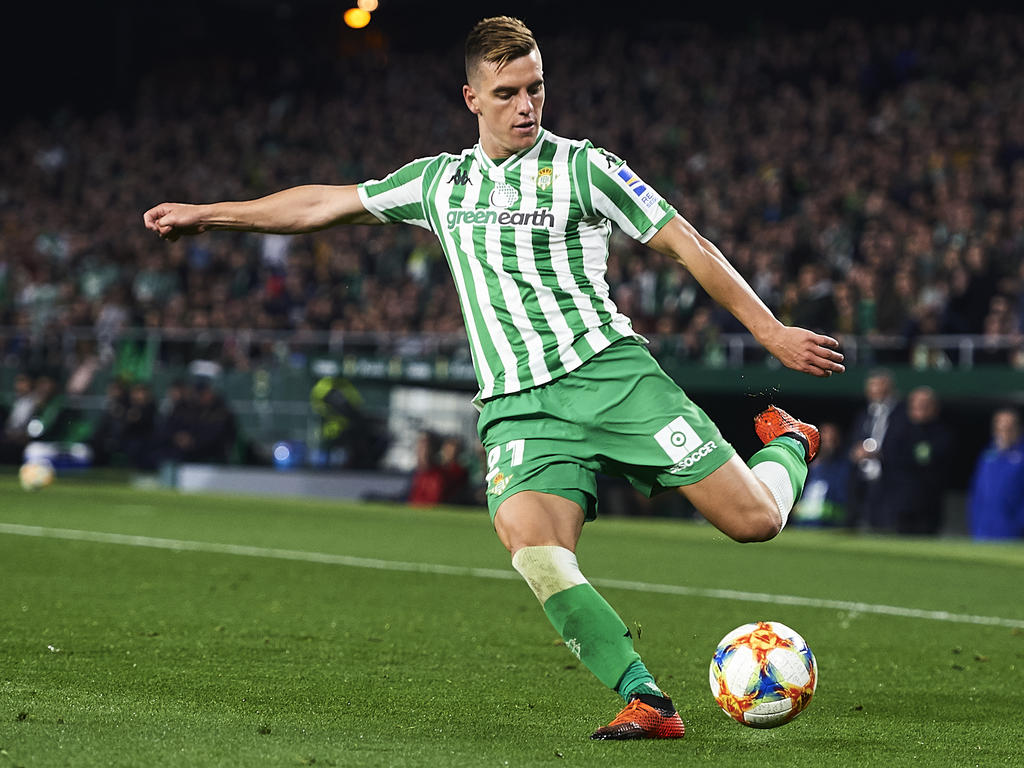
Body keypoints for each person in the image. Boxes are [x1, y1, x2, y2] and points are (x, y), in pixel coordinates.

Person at [142, 16, 844, 740]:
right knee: (534, 547)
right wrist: (213, 216)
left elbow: (684, 242)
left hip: (611, 377)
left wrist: (770, 331)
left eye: (536, 88)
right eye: (507, 92)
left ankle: (788, 442)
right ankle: (646, 698)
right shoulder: (440, 182)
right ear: (472, 98)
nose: (526, 106)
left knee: (755, 521)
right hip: (517, 407)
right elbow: (325, 203)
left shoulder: (585, 167)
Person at [880, 386, 954, 535]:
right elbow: (889, 458)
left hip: (928, 503)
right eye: (917, 404)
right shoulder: (898, 430)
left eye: (926, 404)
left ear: (935, 408)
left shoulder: (942, 433)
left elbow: (936, 460)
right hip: (899, 502)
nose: (921, 408)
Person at [845, 368, 902, 531]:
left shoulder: (901, 414)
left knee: (885, 528)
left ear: (888, 387)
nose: (873, 390)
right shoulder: (864, 415)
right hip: (862, 479)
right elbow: (854, 440)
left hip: (889, 480)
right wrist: (855, 451)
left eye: (878, 386)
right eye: (871, 386)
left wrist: (881, 453)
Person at [967, 409, 1024, 540]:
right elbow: (976, 492)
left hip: (1012, 531)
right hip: (982, 529)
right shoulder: (987, 456)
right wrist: (975, 522)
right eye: (1000, 428)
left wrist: (1019, 524)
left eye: (1009, 428)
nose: (1004, 433)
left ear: (1018, 429)